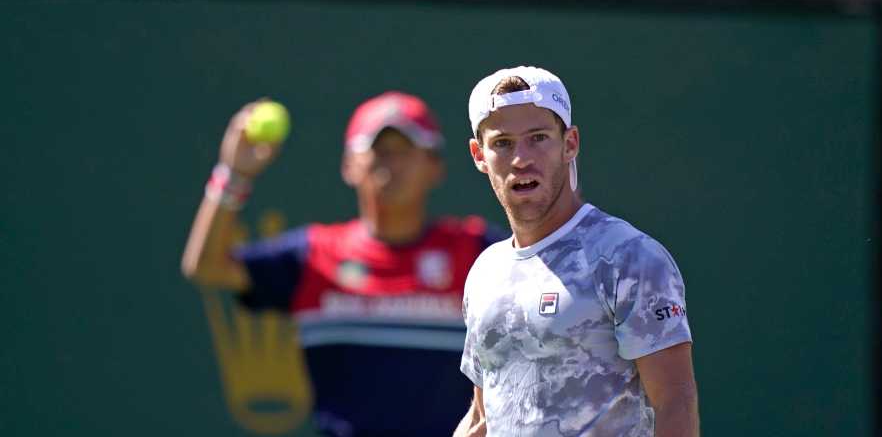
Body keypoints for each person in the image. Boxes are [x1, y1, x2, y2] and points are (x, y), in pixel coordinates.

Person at [181, 92, 503, 436]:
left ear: (435, 167)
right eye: (379, 150)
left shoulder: (477, 250)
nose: (391, 163)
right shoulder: (313, 255)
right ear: (349, 165)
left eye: (405, 150)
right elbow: (206, 266)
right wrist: (233, 174)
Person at [454, 66, 700, 437]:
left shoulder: (628, 257)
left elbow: (675, 401)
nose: (521, 159)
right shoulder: (486, 272)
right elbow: (482, 416)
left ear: (570, 144)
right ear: (479, 155)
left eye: (538, 138)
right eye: (503, 143)